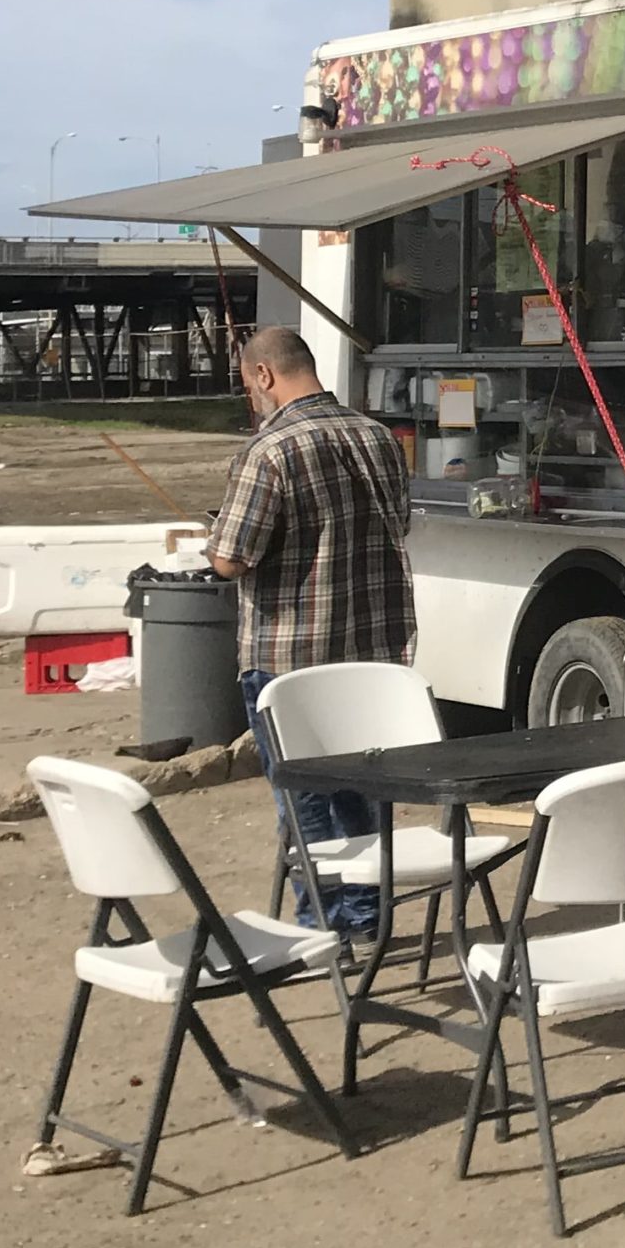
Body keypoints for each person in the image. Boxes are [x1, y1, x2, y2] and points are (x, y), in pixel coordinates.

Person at [209, 325, 414, 937]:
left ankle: (324, 927)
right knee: (363, 791)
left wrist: (216, 537)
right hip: (374, 658)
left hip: (289, 659)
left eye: (250, 385)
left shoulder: (267, 450)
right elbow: (398, 524)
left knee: (305, 800)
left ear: (265, 375)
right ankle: (368, 918)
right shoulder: (378, 436)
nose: (254, 397)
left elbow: (232, 558)